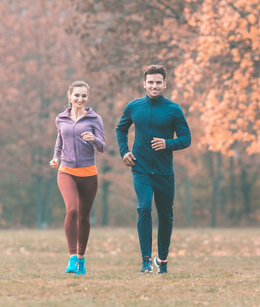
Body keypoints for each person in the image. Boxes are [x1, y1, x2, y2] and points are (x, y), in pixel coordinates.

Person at [116, 65, 191, 274]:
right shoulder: (133, 107)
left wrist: (168, 143)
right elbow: (121, 129)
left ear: (165, 84)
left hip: (164, 172)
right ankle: (145, 261)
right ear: (144, 84)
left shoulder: (173, 109)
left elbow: (186, 139)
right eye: (151, 82)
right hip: (140, 169)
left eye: (158, 82)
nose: (154, 86)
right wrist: (124, 151)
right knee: (144, 208)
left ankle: (163, 261)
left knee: (166, 216)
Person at [50, 80, 106, 275]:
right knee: (72, 210)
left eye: (83, 96)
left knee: (84, 217)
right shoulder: (61, 118)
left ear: (87, 98)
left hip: (89, 172)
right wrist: (55, 157)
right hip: (66, 170)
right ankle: (72, 257)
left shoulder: (94, 119)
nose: (80, 99)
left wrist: (94, 139)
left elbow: (103, 147)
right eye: (77, 95)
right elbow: (60, 140)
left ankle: (82, 259)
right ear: (70, 96)